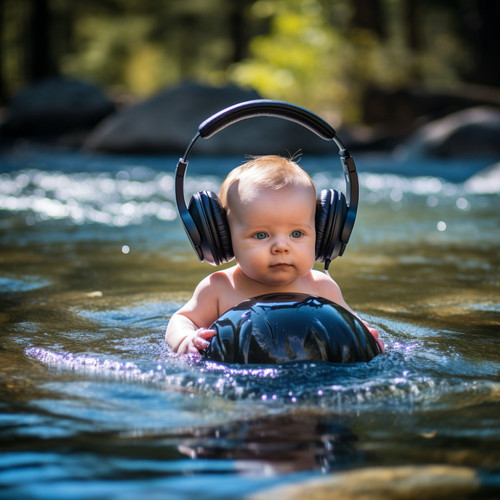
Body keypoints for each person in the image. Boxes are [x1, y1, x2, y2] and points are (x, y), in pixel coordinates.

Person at [166, 155, 383, 354]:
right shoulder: (219, 288)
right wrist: (186, 339)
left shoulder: (322, 287)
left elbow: (351, 324)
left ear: (323, 234)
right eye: (261, 235)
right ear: (223, 239)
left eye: (296, 233)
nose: (281, 246)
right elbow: (182, 319)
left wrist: (366, 336)